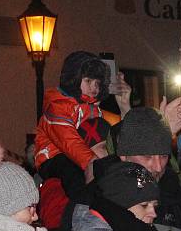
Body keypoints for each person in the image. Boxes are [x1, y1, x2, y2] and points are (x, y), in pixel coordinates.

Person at [35, 51, 124, 195]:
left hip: (82, 155)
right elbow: (69, 142)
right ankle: (83, 204)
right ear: (73, 78)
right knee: (73, 170)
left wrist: (125, 106)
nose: (94, 88)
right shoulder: (57, 107)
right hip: (52, 157)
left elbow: (114, 130)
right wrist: (92, 162)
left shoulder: (91, 108)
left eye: (97, 83)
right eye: (88, 81)